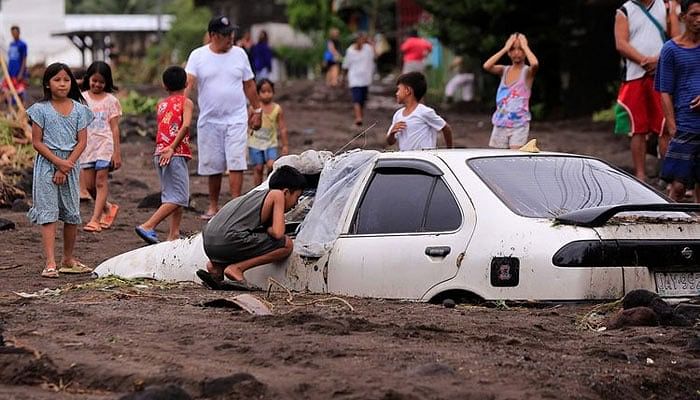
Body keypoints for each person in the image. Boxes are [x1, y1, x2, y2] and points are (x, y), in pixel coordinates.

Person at [185, 16, 263, 220]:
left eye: (231, 33)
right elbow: (189, 83)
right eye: (225, 34)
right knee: (214, 164)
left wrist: (257, 110)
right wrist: (179, 107)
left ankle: (235, 205)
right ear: (212, 36)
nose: (230, 38)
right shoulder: (198, 55)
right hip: (209, 119)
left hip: (236, 117)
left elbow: (249, 84)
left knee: (236, 161)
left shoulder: (239, 54)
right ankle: (213, 206)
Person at [26, 63, 93, 278]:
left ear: (72, 82)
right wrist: (58, 163)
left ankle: (68, 259)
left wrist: (66, 166)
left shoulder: (80, 110)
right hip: (47, 165)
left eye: (66, 79)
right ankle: (50, 262)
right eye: (57, 80)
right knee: (49, 214)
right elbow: (37, 142)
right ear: (48, 83)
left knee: (71, 214)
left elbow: (82, 142)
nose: (62, 84)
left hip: (71, 166)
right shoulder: (40, 109)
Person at [196, 165, 306, 290]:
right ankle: (237, 269)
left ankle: (216, 268)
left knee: (246, 239)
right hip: (228, 239)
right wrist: (271, 229)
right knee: (286, 244)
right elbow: (278, 233)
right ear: (286, 192)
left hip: (209, 242)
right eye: (297, 198)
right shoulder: (277, 195)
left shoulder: (255, 196)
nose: (296, 204)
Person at [614, 0, 679, 180]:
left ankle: (668, 175)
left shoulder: (667, 5)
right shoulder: (624, 10)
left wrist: (659, 60)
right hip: (634, 75)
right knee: (638, 127)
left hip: (663, 73)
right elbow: (621, 43)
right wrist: (644, 60)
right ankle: (640, 175)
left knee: (664, 126)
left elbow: (675, 38)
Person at [135, 66, 194, 244]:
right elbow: (186, 125)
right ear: (186, 83)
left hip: (160, 153)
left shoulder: (161, 104)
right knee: (180, 197)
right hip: (173, 153)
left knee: (172, 194)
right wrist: (172, 147)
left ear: (164, 85)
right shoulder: (186, 102)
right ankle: (148, 225)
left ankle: (173, 234)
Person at [655, 0, 700, 202]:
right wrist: (672, 128)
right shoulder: (671, 49)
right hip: (685, 124)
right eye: (694, 14)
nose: (699, 20)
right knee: (678, 184)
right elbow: (665, 91)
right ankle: (669, 224)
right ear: (683, 17)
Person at [79, 61, 122, 233]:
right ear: (88, 79)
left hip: (105, 145)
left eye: (101, 82)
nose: (97, 85)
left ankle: (95, 220)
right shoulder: (82, 99)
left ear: (107, 83)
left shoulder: (111, 101)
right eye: (94, 80)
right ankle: (108, 208)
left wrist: (117, 153)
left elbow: (114, 128)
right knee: (89, 186)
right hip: (88, 147)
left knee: (100, 182)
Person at [483, 33, 539, 149]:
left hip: (519, 125)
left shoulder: (527, 72)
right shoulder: (504, 70)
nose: (517, 52)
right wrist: (505, 48)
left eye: (520, 49)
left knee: (515, 157)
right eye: (513, 49)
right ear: (509, 52)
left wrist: (525, 46)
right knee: (498, 158)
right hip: (500, 123)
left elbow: (534, 64)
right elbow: (487, 66)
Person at [386, 71, 453, 151]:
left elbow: (446, 128)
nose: (396, 93)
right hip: (406, 159)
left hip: (424, 160)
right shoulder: (398, 115)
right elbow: (390, 142)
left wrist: (450, 150)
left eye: (399, 89)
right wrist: (392, 133)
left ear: (407, 90)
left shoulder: (425, 112)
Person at [248, 78, 289, 186]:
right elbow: (248, 124)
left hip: (271, 143)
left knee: (271, 165)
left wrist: (285, 145)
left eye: (269, 91)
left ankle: (268, 185)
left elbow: (282, 128)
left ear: (273, 92)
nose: (266, 94)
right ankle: (257, 190)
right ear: (257, 93)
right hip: (255, 143)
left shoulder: (277, 109)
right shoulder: (253, 108)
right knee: (258, 167)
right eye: (263, 92)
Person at [342, 31, 375, 127]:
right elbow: (345, 65)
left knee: (362, 100)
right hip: (354, 78)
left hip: (365, 79)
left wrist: (372, 44)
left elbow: (375, 56)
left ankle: (360, 115)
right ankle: (358, 117)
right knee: (356, 99)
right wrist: (343, 78)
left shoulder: (368, 49)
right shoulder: (350, 51)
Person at [2, 25, 28, 106]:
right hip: (11, 72)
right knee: (7, 89)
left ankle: (23, 108)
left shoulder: (22, 45)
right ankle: (10, 108)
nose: (14, 34)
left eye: (15, 33)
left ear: (19, 33)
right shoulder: (11, 44)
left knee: (20, 91)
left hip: (18, 72)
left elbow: (24, 59)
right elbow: (10, 59)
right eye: (12, 33)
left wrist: (21, 72)